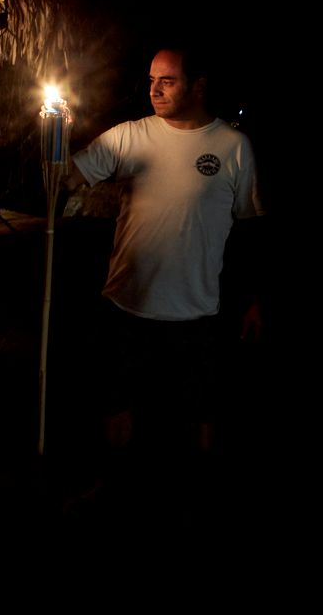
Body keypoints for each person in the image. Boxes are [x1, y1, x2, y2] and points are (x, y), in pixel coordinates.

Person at [65, 45, 265, 474]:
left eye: (167, 81)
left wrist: (252, 299)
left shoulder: (233, 147)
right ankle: (112, 486)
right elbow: (66, 177)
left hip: (198, 311)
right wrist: (52, 139)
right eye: (152, 80)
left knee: (199, 415)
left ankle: (193, 499)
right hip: (126, 302)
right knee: (117, 406)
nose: (154, 90)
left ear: (198, 87)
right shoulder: (129, 136)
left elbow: (250, 229)